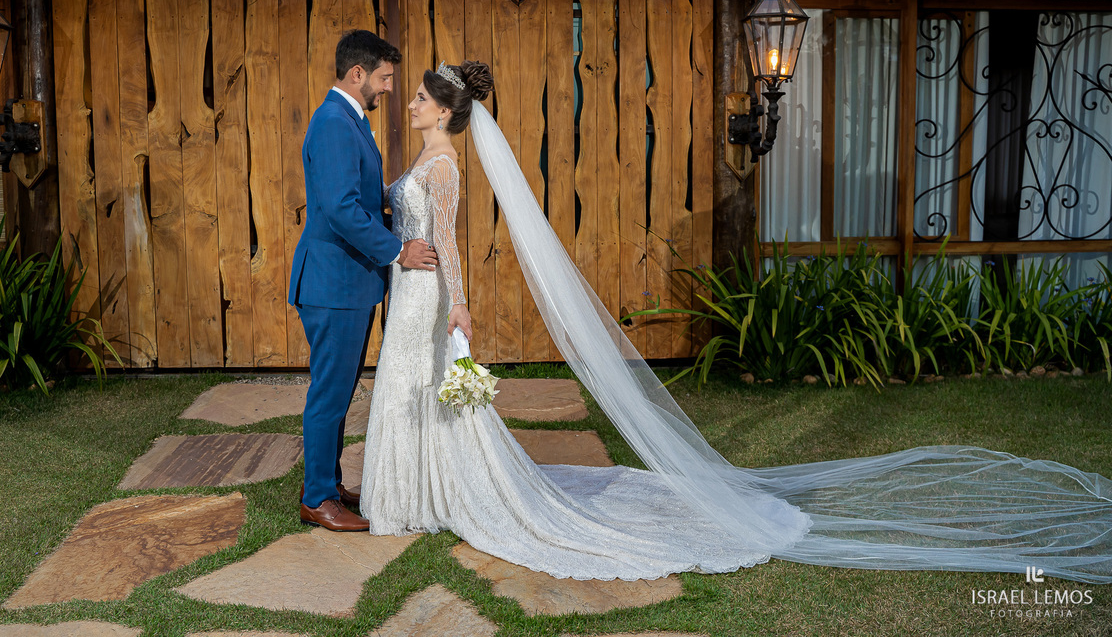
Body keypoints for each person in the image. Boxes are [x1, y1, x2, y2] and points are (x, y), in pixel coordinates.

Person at [360, 58, 1112, 583]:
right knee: (406, 391)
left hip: (429, 297)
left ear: (447, 110)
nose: (415, 103)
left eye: (424, 98)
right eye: (417, 97)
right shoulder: (422, 160)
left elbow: (450, 244)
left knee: (423, 390)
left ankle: (437, 492)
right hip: (409, 288)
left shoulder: (446, 166)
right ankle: (416, 491)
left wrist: (459, 303)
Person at [289, 29, 438, 532]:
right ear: (358, 74)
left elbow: (360, 200)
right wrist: (399, 250)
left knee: (339, 390)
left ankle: (328, 485)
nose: (390, 89)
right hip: (334, 286)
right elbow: (341, 210)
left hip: (349, 284)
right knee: (329, 394)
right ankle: (317, 499)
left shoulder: (347, 120)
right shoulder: (334, 123)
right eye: (384, 78)